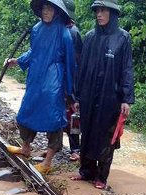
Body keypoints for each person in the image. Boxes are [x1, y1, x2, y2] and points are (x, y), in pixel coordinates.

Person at [6, 0, 75, 175]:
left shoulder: (65, 34)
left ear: (57, 11)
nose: (46, 11)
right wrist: (18, 61)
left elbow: (70, 63)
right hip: (36, 78)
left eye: (50, 8)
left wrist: (70, 91)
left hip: (53, 82)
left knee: (54, 120)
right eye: (44, 8)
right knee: (25, 113)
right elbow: (34, 52)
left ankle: (47, 161)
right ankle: (26, 148)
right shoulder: (36, 30)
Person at [72, 0, 134, 189]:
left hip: (110, 96)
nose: (99, 14)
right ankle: (86, 170)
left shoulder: (123, 38)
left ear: (112, 14)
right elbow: (82, 68)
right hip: (89, 93)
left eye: (103, 11)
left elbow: (126, 69)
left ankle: (101, 176)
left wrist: (126, 98)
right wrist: (77, 96)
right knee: (88, 130)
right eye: (97, 11)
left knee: (106, 135)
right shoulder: (90, 37)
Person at [63, 0, 82, 161]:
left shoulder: (73, 32)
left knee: (72, 116)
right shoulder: (57, 29)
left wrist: (74, 89)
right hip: (58, 79)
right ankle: (53, 146)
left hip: (71, 80)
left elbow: (77, 61)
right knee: (57, 114)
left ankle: (75, 148)